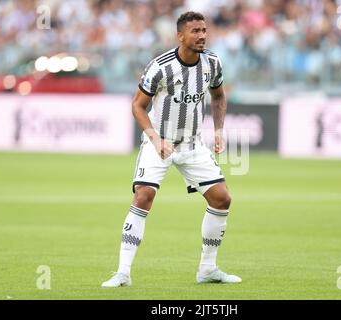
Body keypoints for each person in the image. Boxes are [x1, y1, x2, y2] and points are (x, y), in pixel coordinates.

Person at [102, 11, 241, 287]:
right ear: (180, 36)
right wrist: (154, 138)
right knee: (143, 196)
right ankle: (123, 273)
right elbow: (137, 105)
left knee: (222, 199)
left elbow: (218, 95)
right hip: (159, 142)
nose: (202, 35)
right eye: (195, 31)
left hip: (191, 144)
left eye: (204, 30)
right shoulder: (160, 66)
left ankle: (208, 269)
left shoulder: (212, 63)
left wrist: (218, 130)